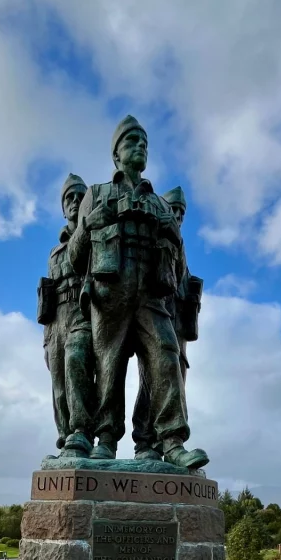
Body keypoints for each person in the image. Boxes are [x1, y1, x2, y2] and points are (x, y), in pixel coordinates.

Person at [68, 115, 208, 470]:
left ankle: (171, 440)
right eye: (132, 142)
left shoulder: (160, 203)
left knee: (166, 354)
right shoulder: (97, 193)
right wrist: (89, 225)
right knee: (109, 364)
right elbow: (74, 257)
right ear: (116, 155)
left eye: (144, 143)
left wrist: (170, 231)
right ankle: (105, 439)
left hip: (150, 292)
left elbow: (178, 259)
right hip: (109, 289)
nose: (140, 148)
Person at [131, 185, 203, 460]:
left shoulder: (178, 245)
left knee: (171, 378)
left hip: (178, 327)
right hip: (152, 314)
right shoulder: (156, 239)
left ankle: (165, 442)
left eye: (181, 212)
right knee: (151, 379)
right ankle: (146, 441)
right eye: (173, 210)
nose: (177, 216)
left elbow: (181, 280)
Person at [37, 173, 95, 457]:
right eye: (69, 198)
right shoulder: (54, 252)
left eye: (79, 197)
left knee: (76, 364)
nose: (74, 201)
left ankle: (83, 432)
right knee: (59, 387)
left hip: (83, 315)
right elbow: (47, 295)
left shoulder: (94, 238)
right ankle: (66, 441)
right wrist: (46, 341)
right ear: (63, 207)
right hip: (56, 322)